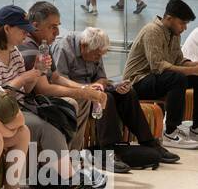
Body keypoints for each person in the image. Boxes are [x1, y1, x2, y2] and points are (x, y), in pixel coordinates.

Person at [0, 5, 109, 189]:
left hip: (13, 109)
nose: (26, 33)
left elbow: (22, 91)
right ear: (7, 29)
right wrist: (28, 75)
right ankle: (70, 181)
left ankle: (58, 175)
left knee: (52, 118)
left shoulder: (13, 52)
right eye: (22, 29)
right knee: (45, 126)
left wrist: (37, 71)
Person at [51, 27, 177, 170]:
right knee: (106, 98)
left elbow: (102, 78)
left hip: (91, 90)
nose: (98, 59)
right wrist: (89, 89)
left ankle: (148, 141)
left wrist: (105, 85)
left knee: (128, 93)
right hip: (74, 93)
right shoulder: (64, 49)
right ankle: (106, 152)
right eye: (97, 55)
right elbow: (59, 82)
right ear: (84, 46)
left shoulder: (95, 49)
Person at [20, 0, 106, 152]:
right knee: (73, 101)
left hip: (33, 99)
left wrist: (86, 88)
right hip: (27, 103)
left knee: (84, 98)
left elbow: (56, 77)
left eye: (58, 26)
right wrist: (83, 91)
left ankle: (73, 155)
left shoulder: (42, 46)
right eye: (52, 27)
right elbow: (43, 89)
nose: (57, 32)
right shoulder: (30, 48)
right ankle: (66, 158)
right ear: (35, 26)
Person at [122, 0, 198, 150]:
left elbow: (179, 61)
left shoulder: (175, 34)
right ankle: (170, 132)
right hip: (137, 81)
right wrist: (190, 70)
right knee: (178, 78)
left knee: (194, 78)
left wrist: (194, 66)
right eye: (182, 23)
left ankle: (196, 128)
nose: (184, 28)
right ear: (169, 18)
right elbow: (157, 66)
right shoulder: (152, 31)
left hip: (157, 79)